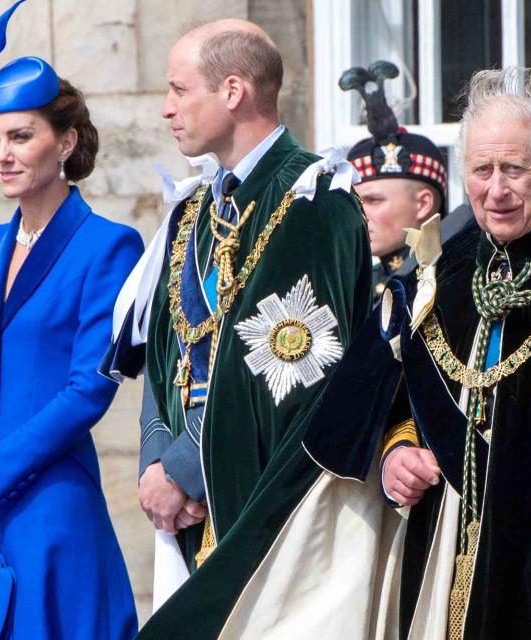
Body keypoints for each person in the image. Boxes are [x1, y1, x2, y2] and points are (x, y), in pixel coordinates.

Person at [301, 65, 531, 639]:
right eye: (482, 169)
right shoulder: (440, 271)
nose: (496, 190)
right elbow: (395, 397)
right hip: (441, 550)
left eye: (515, 169)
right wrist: (398, 452)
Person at [102, 18, 372, 638]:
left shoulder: (313, 197)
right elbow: (164, 352)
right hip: (181, 501)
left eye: (179, 89)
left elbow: (291, 372)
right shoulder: (193, 208)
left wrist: (184, 469)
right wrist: (154, 464)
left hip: (259, 498)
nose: (167, 109)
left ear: (231, 91)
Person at [0, 1, 141, 638]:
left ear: (67, 141)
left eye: (21, 136)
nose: (2, 153)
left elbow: (88, 391)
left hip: (49, 508)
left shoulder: (109, 245)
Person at [339, 60, 449, 304]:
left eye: (373, 200)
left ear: (423, 204)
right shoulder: (359, 286)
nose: (360, 214)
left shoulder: (452, 278)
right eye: (356, 202)